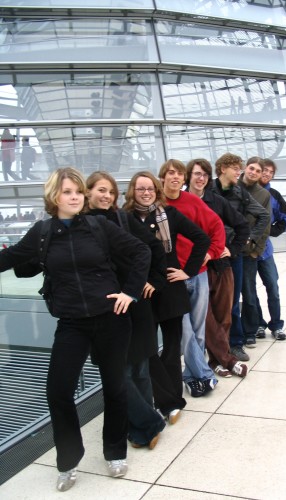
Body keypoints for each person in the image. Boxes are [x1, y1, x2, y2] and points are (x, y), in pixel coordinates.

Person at [0, 167, 151, 492]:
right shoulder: (41, 233)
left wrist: (130, 292)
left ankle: (114, 452)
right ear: (54, 195)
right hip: (72, 324)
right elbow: (9, 258)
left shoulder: (98, 226)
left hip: (111, 319)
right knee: (57, 391)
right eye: (67, 191)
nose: (74, 197)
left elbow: (141, 251)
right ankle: (68, 460)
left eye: (78, 192)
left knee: (115, 387)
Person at [85, 171, 167, 448]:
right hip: (104, 306)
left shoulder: (123, 219)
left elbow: (154, 248)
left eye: (110, 191)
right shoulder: (80, 223)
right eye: (100, 190)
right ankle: (148, 421)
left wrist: (152, 281)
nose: (106, 196)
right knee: (117, 372)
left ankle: (141, 427)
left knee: (140, 368)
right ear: (88, 192)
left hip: (133, 301)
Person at [123, 171, 210, 413]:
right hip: (143, 292)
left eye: (150, 188)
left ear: (156, 190)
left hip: (170, 290)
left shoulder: (169, 215)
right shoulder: (125, 218)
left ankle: (172, 400)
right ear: (132, 191)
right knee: (148, 350)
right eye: (140, 189)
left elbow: (201, 239)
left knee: (172, 349)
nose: (146, 193)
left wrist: (188, 271)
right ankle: (162, 397)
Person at [158, 160, 226, 396]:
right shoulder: (156, 204)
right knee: (185, 330)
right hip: (172, 278)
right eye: (170, 173)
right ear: (163, 177)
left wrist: (210, 254)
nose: (175, 177)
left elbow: (217, 227)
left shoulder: (193, 202)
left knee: (198, 330)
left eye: (179, 173)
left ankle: (191, 375)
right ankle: (204, 375)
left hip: (198, 274)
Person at [185, 158, 250, 378]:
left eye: (204, 174)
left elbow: (242, 225)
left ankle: (215, 361)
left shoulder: (217, 201)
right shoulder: (179, 201)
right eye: (196, 174)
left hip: (221, 266)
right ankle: (226, 359)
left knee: (224, 315)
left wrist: (231, 249)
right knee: (205, 316)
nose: (201, 178)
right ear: (188, 176)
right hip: (195, 269)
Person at [212, 153, 270, 362]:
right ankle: (214, 345)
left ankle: (235, 343)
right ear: (222, 169)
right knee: (211, 303)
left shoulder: (240, 192)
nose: (240, 171)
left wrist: (248, 240)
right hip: (210, 255)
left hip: (233, 254)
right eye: (236, 168)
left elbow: (264, 215)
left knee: (233, 301)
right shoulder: (208, 190)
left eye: (240, 168)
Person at [255, 158, 286, 341]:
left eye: (271, 172)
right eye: (265, 170)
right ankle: (258, 324)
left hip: (266, 252)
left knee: (273, 287)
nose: (267, 174)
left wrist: (272, 231)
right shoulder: (245, 192)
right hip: (247, 251)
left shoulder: (274, 195)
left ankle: (276, 325)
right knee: (249, 292)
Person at [238, 156, 271, 348]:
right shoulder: (233, 187)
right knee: (231, 295)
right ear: (245, 168)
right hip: (230, 250)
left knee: (249, 293)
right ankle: (233, 330)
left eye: (258, 171)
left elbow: (265, 224)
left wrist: (255, 251)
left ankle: (249, 331)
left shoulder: (262, 194)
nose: (254, 173)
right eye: (252, 168)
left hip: (248, 252)